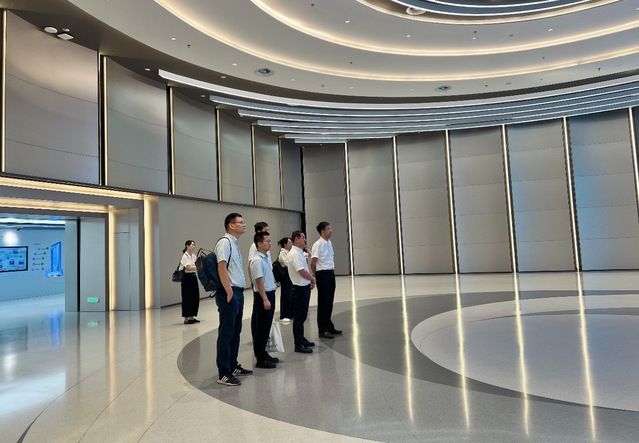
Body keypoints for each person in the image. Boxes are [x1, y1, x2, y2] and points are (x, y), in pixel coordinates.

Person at [215, 212, 252, 387]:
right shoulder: (225, 242)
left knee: (235, 331)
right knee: (227, 332)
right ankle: (223, 373)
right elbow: (221, 266)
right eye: (241, 222)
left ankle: (232, 365)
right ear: (231, 225)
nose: (244, 224)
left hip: (237, 292)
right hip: (229, 293)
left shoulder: (234, 243)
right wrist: (229, 290)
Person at [249, 231, 279, 369]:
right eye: (267, 241)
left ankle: (264, 353)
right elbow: (258, 280)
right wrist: (265, 299)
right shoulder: (257, 260)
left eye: (270, 241)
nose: (270, 243)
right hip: (263, 295)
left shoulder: (265, 257)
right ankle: (260, 358)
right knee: (261, 328)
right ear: (259, 244)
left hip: (269, 293)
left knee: (266, 327)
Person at [311, 222, 342, 339]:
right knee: (323, 302)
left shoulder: (329, 242)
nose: (331, 230)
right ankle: (322, 329)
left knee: (329, 301)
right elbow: (313, 262)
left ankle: (329, 326)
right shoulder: (317, 244)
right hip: (322, 274)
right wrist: (315, 275)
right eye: (328, 228)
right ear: (322, 231)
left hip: (330, 273)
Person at [287, 230, 316, 353]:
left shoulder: (299, 252)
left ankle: (302, 339)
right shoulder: (294, 253)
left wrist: (309, 282)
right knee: (299, 318)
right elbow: (301, 271)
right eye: (303, 237)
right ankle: (298, 345)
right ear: (296, 239)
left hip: (304, 286)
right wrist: (312, 279)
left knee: (302, 316)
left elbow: (305, 269)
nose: (305, 240)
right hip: (299, 289)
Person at [249, 221, 270, 343]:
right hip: (260, 285)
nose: (268, 232)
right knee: (258, 312)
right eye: (266, 230)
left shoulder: (266, 246)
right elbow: (251, 265)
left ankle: (263, 335)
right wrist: (253, 281)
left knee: (264, 314)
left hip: (267, 284)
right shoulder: (255, 247)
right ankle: (257, 335)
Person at [180, 240, 200, 324]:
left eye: (194, 245)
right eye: (192, 245)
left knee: (195, 296)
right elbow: (188, 268)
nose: (193, 246)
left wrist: (194, 267)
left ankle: (192, 317)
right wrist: (196, 267)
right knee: (187, 297)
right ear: (187, 246)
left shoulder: (194, 256)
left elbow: (196, 266)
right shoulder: (185, 256)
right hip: (186, 278)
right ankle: (186, 318)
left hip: (193, 277)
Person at [277, 237, 293, 323]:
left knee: (291, 294)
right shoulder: (282, 253)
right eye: (289, 242)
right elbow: (287, 263)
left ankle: (291, 313)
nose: (291, 244)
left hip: (290, 276)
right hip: (285, 277)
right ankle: (285, 314)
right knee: (286, 295)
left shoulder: (290, 252)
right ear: (285, 244)